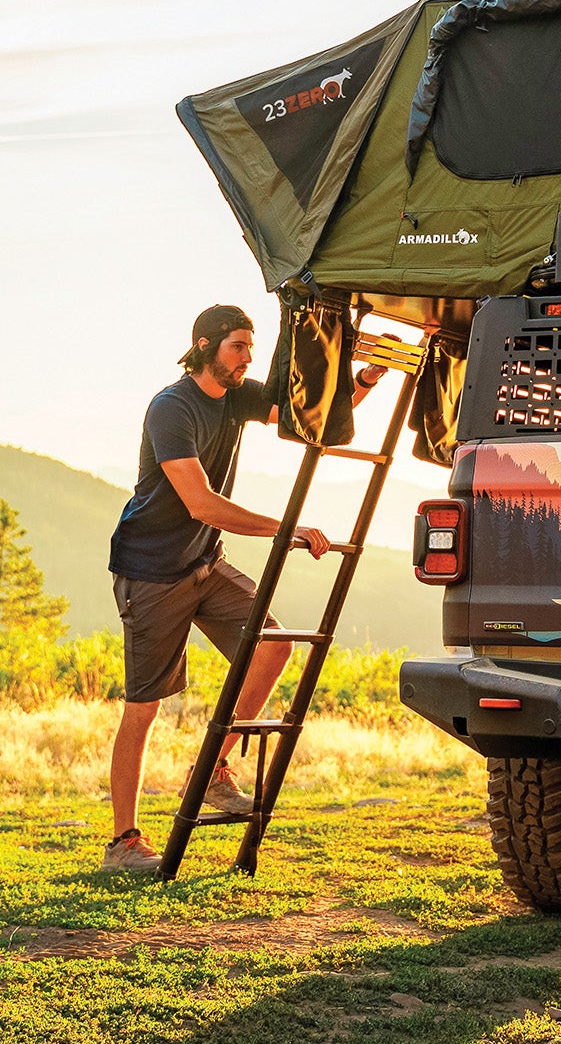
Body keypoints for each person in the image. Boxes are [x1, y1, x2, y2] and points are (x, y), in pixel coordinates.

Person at [102, 304, 386, 873]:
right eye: (238, 347)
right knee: (144, 707)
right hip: (153, 571)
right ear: (205, 345)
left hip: (207, 561)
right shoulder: (171, 408)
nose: (248, 358)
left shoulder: (237, 396)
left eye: (251, 348)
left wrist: (361, 381)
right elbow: (200, 502)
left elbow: (308, 419)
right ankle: (123, 844)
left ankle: (211, 771)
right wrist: (288, 528)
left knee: (274, 645)